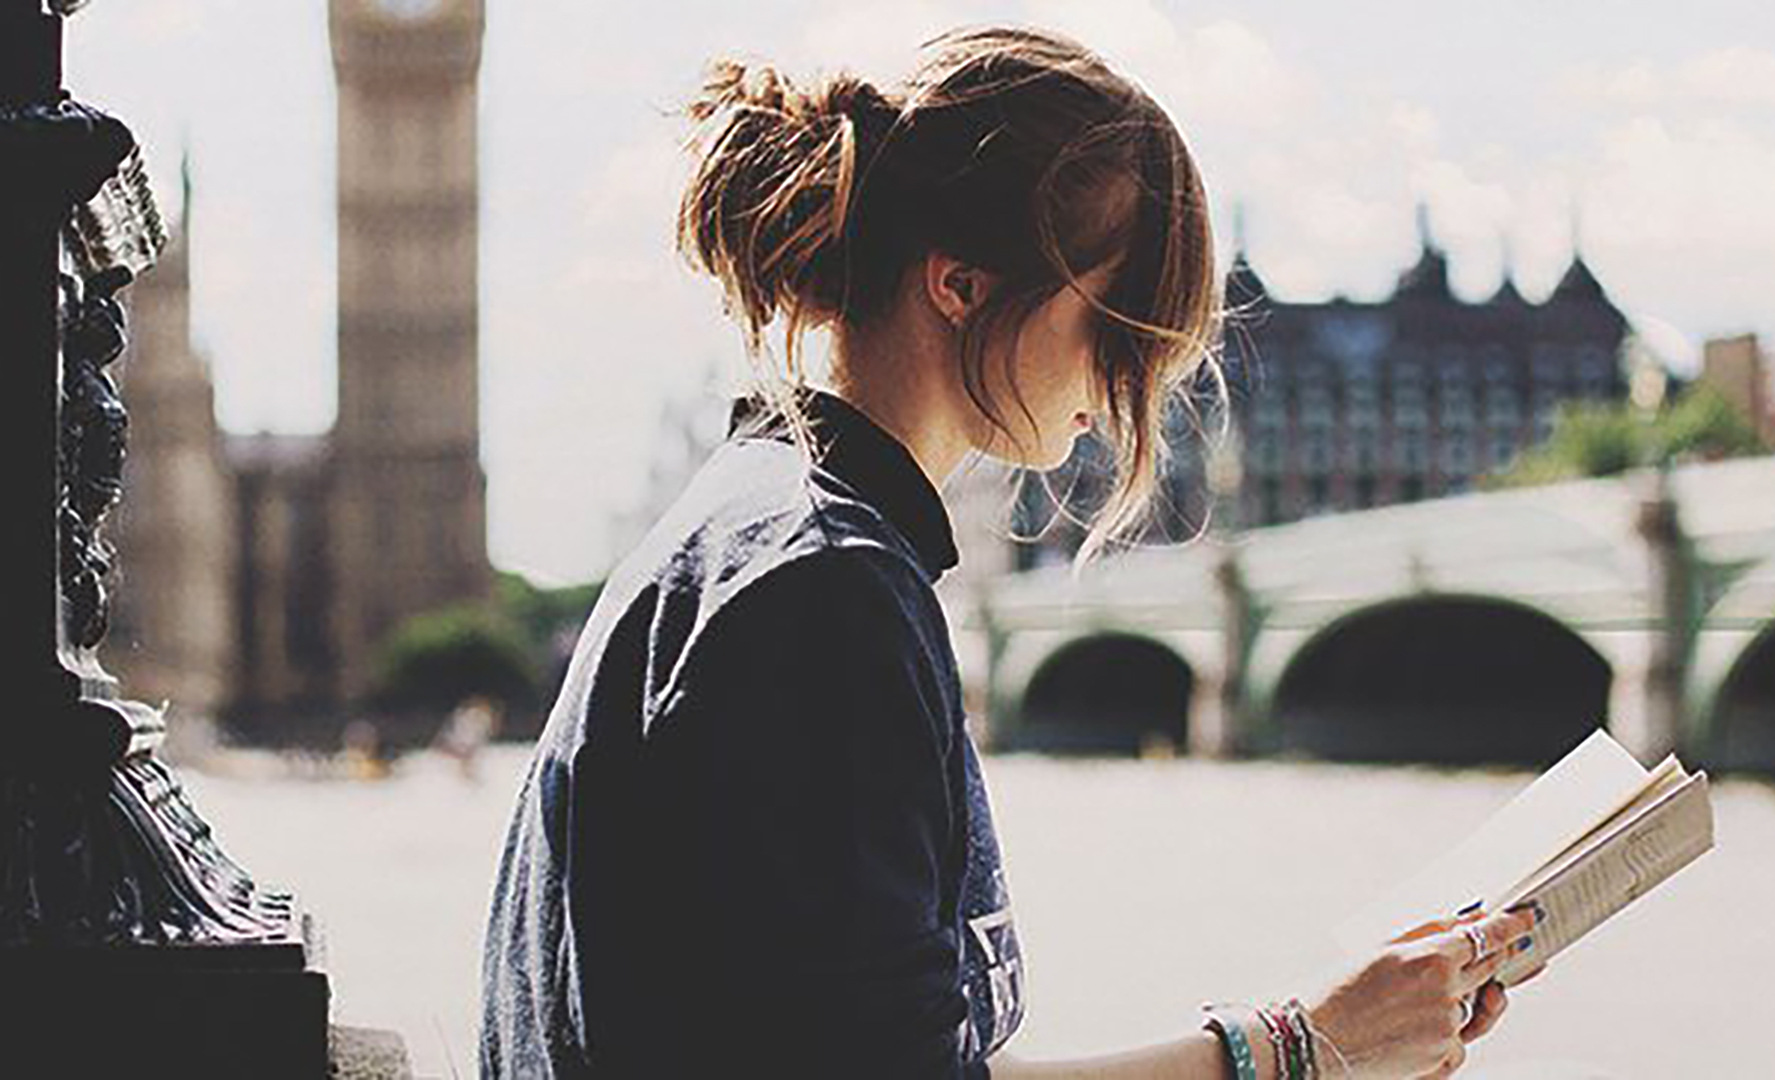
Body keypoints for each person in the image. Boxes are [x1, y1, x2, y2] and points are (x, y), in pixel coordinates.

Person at [478, 25, 1541, 1079]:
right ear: (961, 285)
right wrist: (1300, 1051)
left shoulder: (770, 535)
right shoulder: (823, 593)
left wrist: (1311, 1043)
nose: (1135, 387)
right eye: (1117, 326)